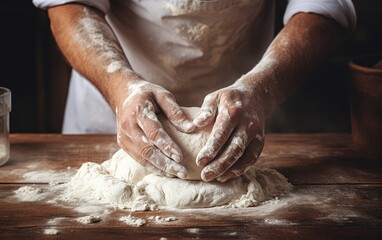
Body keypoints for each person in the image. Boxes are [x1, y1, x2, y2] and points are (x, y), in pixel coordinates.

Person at [33, 0, 356, 182]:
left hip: (244, 110)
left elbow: (324, 9)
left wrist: (261, 89)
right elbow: (70, 7)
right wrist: (121, 87)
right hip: (115, 105)